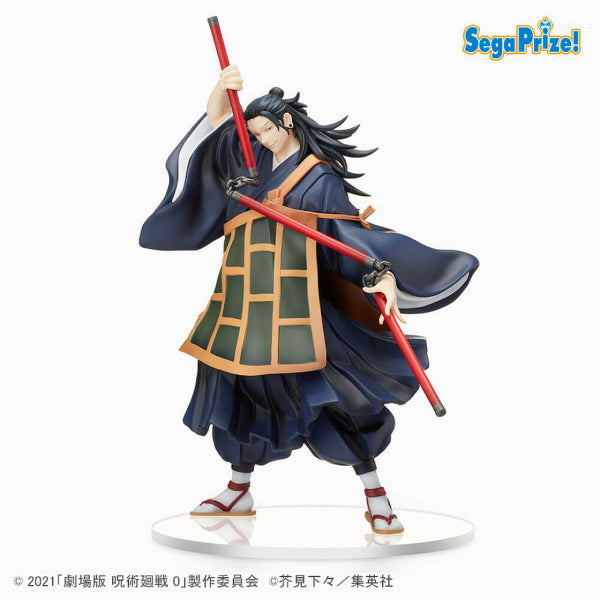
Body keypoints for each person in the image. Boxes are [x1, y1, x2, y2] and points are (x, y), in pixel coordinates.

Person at [140, 66, 478, 534]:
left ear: (287, 123)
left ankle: (376, 494)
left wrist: (380, 275)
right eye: (254, 132)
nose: (259, 139)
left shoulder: (319, 179)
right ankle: (238, 489)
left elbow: (345, 239)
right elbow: (215, 129)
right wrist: (221, 89)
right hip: (244, 307)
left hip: (301, 310)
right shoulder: (252, 165)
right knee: (240, 395)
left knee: (342, 398)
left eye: (265, 130)